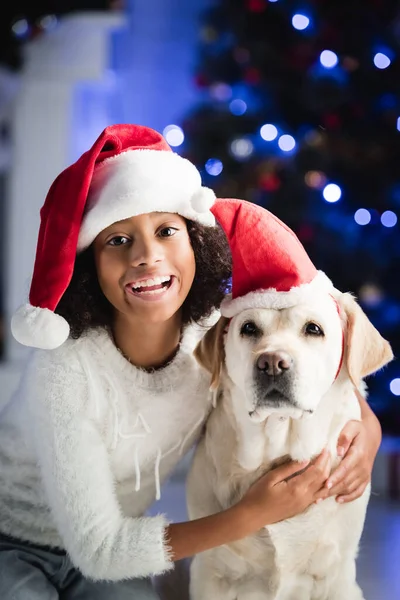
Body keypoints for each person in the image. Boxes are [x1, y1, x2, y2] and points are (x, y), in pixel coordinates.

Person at [0, 124, 381, 599]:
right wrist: (253, 514)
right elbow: (99, 548)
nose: (146, 256)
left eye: (166, 231)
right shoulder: (65, 372)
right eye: (117, 240)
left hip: (113, 553)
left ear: (197, 244)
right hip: (14, 541)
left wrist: (368, 432)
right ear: (89, 266)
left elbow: (327, 369)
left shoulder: (218, 337)